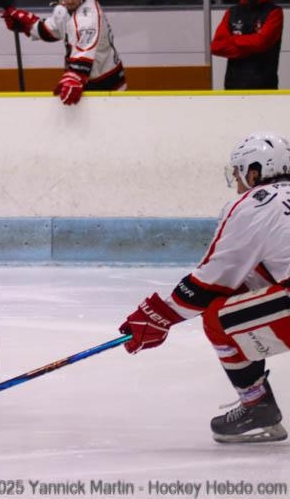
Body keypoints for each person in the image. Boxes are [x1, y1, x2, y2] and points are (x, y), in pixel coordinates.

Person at [118, 132, 290, 444]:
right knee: (243, 295)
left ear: (254, 172)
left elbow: (210, 281)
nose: (238, 183)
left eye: (238, 174)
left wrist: (156, 316)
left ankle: (257, 406)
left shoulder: (255, 205)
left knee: (218, 315)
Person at [0, 0, 125, 105]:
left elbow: (83, 55)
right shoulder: (64, 9)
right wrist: (26, 24)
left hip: (106, 81)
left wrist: (73, 78)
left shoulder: (88, 18)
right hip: (87, 79)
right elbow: (51, 31)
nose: (69, 0)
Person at [210, 0, 283, 90]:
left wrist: (233, 40)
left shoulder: (275, 12)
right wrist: (253, 45)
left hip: (265, 89)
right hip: (233, 87)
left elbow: (261, 42)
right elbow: (216, 46)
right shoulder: (231, 13)